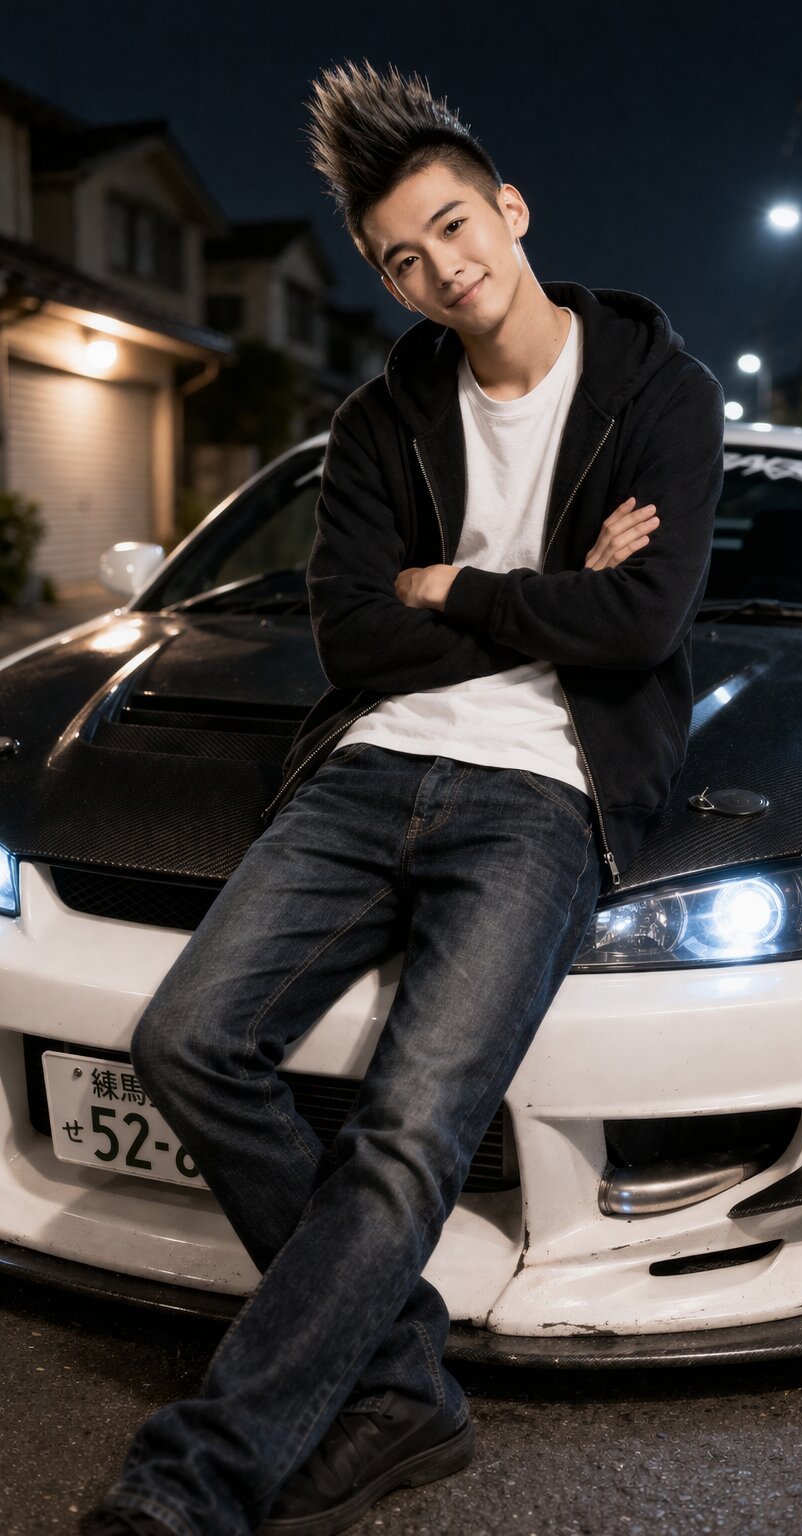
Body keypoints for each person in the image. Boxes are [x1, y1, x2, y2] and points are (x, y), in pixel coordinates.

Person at [83, 58, 724, 1536]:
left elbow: (642, 625)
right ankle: (398, 1385)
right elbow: (357, 641)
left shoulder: (660, 392)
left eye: (453, 226)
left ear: (511, 209)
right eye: (401, 259)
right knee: (189, 1042)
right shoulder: (381, 421)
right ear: (387, 280)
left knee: (409, 1126)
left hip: (546, 788)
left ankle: (191, 1484)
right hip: (372, 766)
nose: (441, 268)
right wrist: (553, 592)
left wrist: (464, 587)